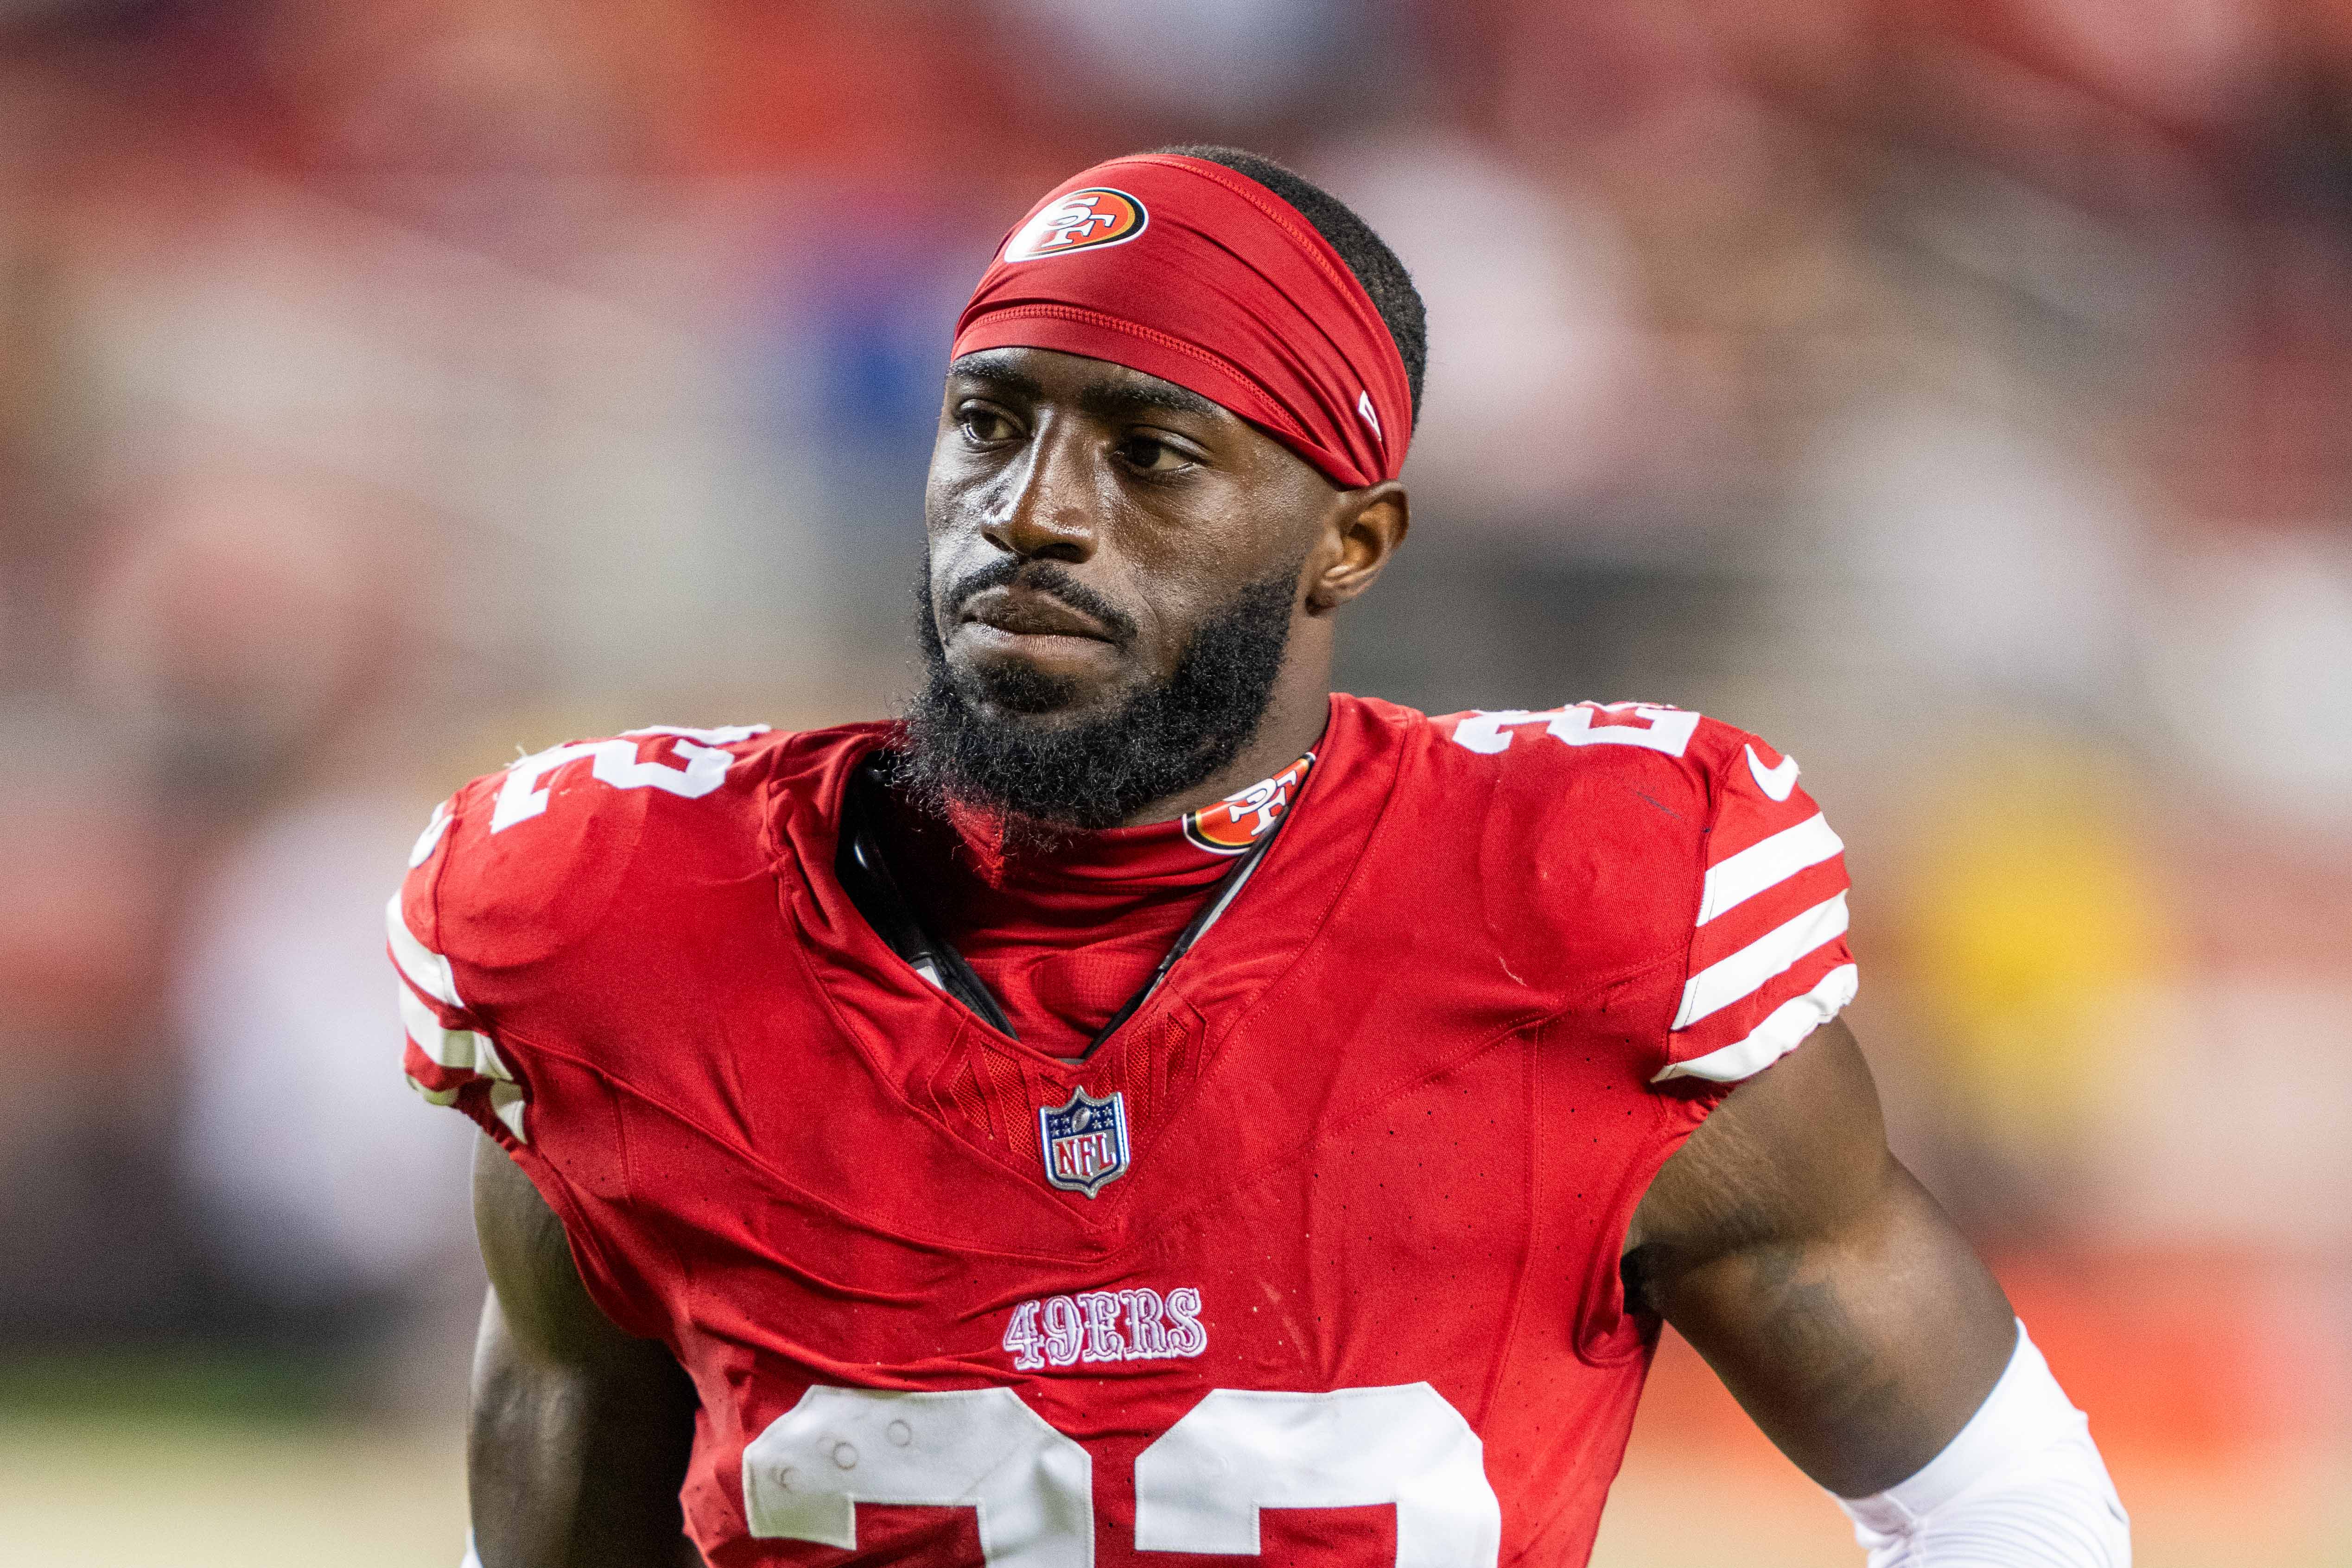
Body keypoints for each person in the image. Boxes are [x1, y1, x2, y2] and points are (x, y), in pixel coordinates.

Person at [393, 147, 2130, 1568]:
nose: (1035, 510)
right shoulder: (622, 933)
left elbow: (1994, 1507)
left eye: (1150, 454)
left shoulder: (1581, 922)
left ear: (1346, 545)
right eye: (992, 423)